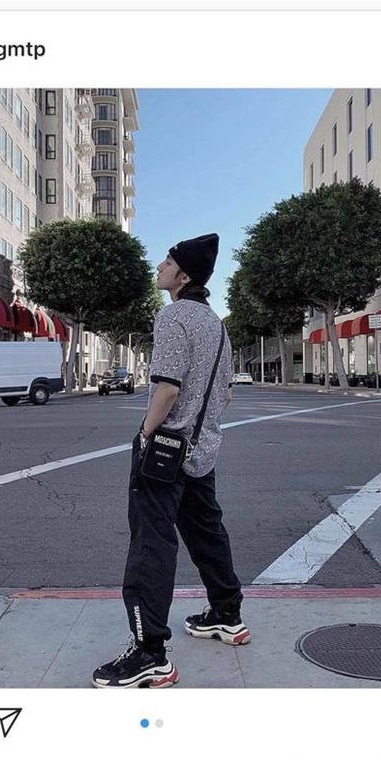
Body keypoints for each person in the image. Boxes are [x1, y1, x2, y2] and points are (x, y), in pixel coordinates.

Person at [93, 233, 250, 689]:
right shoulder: (217, 325)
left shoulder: (173, 317)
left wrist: (145, 434)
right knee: (206, 532)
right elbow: (226, 394)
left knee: (151, 546)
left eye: (167, 261)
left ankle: (150, 654)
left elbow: (167, 388)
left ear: (182, 276)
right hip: (202, 450)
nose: (159, 266)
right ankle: (227, 614)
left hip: (166, 451)